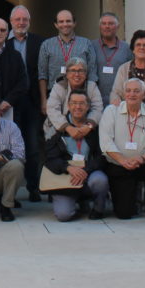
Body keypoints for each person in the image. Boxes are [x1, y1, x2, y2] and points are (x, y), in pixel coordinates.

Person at [99, 77, 145, 223]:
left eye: (136, 91)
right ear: (124, 93)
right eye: (128, 91)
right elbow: (106, 143)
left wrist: (142, 158)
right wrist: (123, 160)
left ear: (144, 95)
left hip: (143, 163)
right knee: (124, 214)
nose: (132, 94)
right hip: (119, 166)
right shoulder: (111, 112)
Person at [44, 89, 109, 221]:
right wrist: (67, 168)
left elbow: (102, 157)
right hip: (65, 176)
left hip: (88, 173)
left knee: (100, 180)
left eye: (81, 103)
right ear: (68, 105)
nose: (77, 107)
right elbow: (48, 158)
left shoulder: (96, 128)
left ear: (88, 106)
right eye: (74, 103)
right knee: (63, 216)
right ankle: (75, 202)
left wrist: (85, 170)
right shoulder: (57, 128)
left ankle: (98, 209)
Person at [9, 4, 45, 202]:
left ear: (29, 22)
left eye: (25, 20)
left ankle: (33, 187)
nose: (21, 23)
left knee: (32, 146)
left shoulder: (40, 42)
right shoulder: (3, 43)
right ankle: (10, 192)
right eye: (17, 20)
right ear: (11, 22)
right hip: (10, 104)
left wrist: (43, 100)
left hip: (31, 101)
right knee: (10, 147)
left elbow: (43, 73)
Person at [38, 10, 97, 110]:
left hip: (80, 97)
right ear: (56, 25)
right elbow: (42, 75)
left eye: (68, 21)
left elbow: (92, 74)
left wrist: (90, 98)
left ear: (74, 23)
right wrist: (44, 100)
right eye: (61, 22)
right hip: (54, 96)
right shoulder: (46, 45)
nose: (65, 24)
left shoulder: (86, 44)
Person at [44, 57, 103, 139]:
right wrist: (67, 127)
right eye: (73, 70)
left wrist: (88, 126)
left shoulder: (92, 86)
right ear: (67, 74)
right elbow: (52, 109)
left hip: (86, 128)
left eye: (80, 71)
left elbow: (97, 109)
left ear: (86, 74)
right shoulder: (59, 86)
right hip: (61, 128)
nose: (77, 74)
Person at [93, 12, 133, 105]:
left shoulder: (127, 48)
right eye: (104, 23)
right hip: (96, 101)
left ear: (117, 26)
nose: (107, 26)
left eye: (111, 24)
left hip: (119, 101)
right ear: (100, 26)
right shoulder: (91, 46)